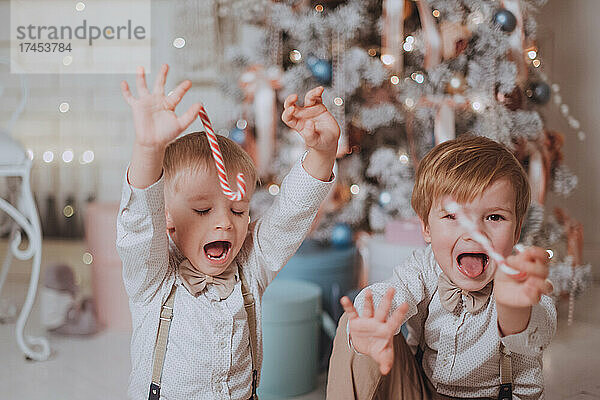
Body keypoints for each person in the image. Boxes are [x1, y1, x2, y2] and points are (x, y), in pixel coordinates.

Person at [117, 64, 339, 399]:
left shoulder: (250, 267)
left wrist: (322, 152)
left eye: (237, 210)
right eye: (203, 210)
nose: (224, 223)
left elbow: (291, 215)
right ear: (168, 218)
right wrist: (148, 150)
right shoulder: (152, 279)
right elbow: (139, 227)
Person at [327, 135, 556, 400]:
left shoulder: (521, 282)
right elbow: (392, 291)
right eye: (453, 216)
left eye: (494, 217)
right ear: (426, 227)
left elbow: (538, 333)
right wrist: (372, 323)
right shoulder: (424, 267)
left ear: (517, 231)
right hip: (420, 391)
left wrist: (514, 309)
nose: (474, 233)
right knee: (356, 322)